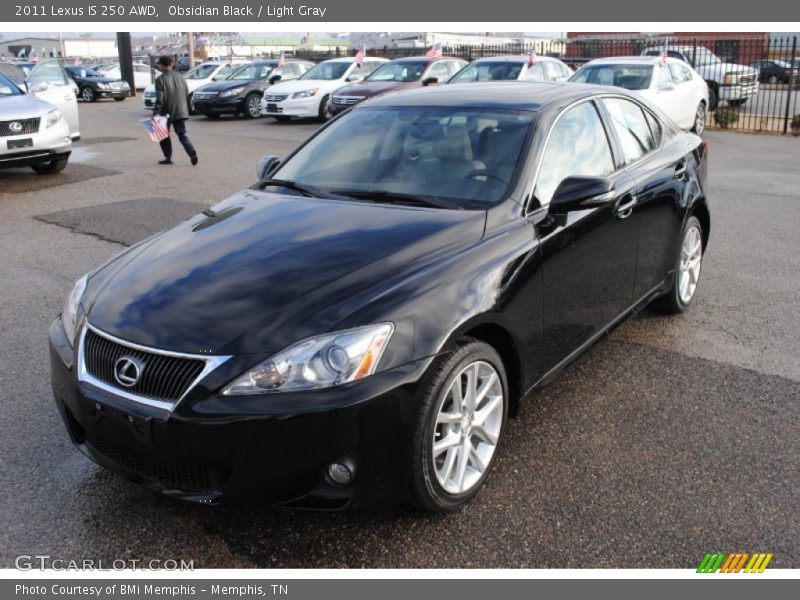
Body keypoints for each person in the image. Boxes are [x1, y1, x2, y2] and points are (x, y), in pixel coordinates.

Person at [152, 55, 197, 166]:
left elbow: (160, 98)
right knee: (182, 134)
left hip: (165, 111)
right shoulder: (181, 77)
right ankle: (191, 151)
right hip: (180, 110)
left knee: (163, 135)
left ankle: (168, 157)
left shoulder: (160, 79)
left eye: (159, 64)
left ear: (161, 65)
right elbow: (186, 92)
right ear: (171, 64)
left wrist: (156, 113)